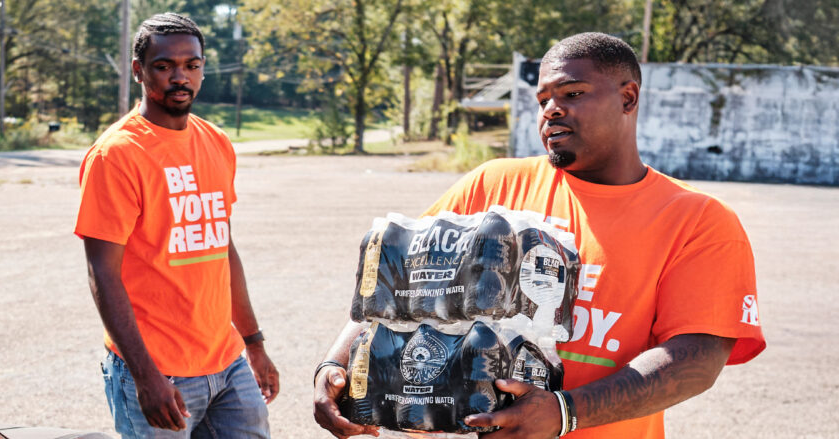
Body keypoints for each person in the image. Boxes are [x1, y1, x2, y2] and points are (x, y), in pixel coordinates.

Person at [313, 32, 765, 439]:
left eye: (573, 93)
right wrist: (335, 364)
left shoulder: (697, 220)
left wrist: (565, 412)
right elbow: (395, 285)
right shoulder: (492, 186)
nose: (551, 109)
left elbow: (697, 358)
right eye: (543, 99)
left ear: (628, 98)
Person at [76, 13, 278, 439]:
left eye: (192, 65)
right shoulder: (116, 155)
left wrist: (254, 342)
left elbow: (222, 248)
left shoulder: (216, 142)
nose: (180, 77)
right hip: (158, 372)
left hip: (227, 364)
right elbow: (102, 273)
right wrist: (145, 375)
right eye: (164, 66)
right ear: (139, 70)